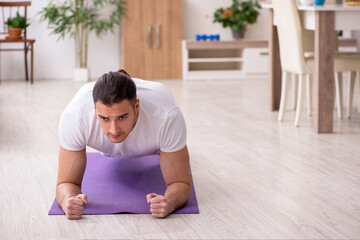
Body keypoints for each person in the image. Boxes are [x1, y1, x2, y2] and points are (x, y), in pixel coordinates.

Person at [56, 69, 191, 220]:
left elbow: (180, 182)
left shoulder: (166, 116)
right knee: (109, 149)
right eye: (104, 118)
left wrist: (170, 202)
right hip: (104, 149)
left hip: (151, 146)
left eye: (122, 117)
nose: (114, 129)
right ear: (95, 110)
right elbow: (66, 182)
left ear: (137, 107)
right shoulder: (75, 116)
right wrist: (68, 200)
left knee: (164, 146)